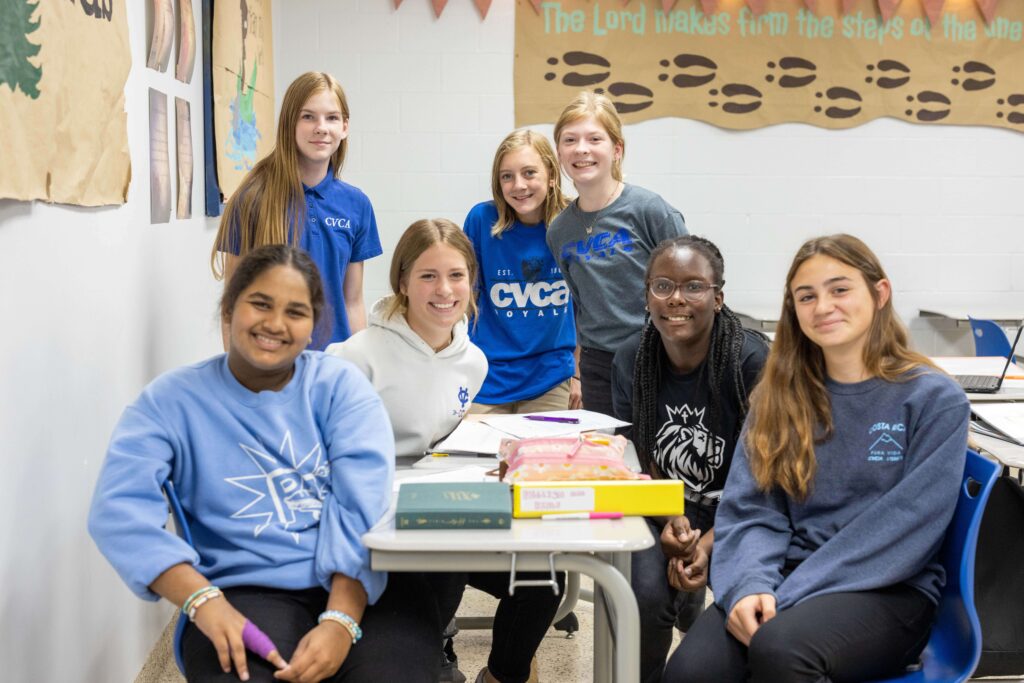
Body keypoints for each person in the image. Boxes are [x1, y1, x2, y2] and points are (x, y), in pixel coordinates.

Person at [88, 245, 439, 683]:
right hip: (243, 590)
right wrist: (203, 602)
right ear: (229, 307)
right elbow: (118, 513)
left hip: (364, 587)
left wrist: (341, 620)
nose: (275, 324)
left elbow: (360, 507)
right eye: (260, 304)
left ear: (313, 327)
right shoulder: (170, 401)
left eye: (296, 311)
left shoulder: (341, 386)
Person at [665, 234, 971, 683]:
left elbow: (906, 526)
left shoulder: (933, 399)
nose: (823, 306)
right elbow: (752, 510)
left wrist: (791, 596)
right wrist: (750, 586)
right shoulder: (778, 395)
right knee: (690, 673)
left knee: (782, 649)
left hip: (887, 588)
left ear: (879, 293)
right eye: (806, 296)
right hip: (785, 576)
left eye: (840, 289)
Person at [328, 219, 561, 683]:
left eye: (456, 275)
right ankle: (436, 655)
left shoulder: (472, 361)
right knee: (443, 565)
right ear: (402, 281)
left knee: (542, 578)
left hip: (435, 506)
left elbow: (441, 436)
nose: (444, 290)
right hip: (376, 525)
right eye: (428, 276)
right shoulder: (357, 357)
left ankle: (498, 675)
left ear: (472, 281)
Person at [611, 235, 768, 683]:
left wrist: (707, 542)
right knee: (643, 594)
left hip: (739, 512)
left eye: (693, 287)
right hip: (664, 504)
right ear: (647, 296)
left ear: (718, 298)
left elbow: (763, 480)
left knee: (748, 596)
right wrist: (670, 519)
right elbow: (637, 458)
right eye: (662, 286)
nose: (676, 298)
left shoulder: (750, 362)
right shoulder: (631, 360)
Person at [211, 71, 382, 348]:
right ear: (289, 123)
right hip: (269, 362)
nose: (321, 127)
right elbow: (233, 301)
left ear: (345, 127)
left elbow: (352, 302)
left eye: (332, 117)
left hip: (333, 365)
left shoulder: (357, 205)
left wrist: (360, 369)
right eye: (308, 116)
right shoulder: (252, 198)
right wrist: (238, 376)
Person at [547, 90, 688, 417]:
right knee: (610, 457)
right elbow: (581, 304)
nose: (581, 149)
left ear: (617, 150)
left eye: (594, 138)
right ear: (559, 153)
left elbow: (695, 285)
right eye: (570, 140)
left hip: (658, 354)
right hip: (599, 366)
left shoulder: (649, 210)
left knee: (656, 455)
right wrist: (580, 369)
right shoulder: (559, 231)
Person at [463, 129, 580, 414]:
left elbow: (586, 308)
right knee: (474, 457)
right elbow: (466, 301)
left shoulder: (574, 222)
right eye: (507, 176)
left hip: (550, 377)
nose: (518, 185)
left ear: (551, 175)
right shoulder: (481, 220)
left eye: (529, 173)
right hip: (488, 376)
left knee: (546, 457)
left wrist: (578, 373)